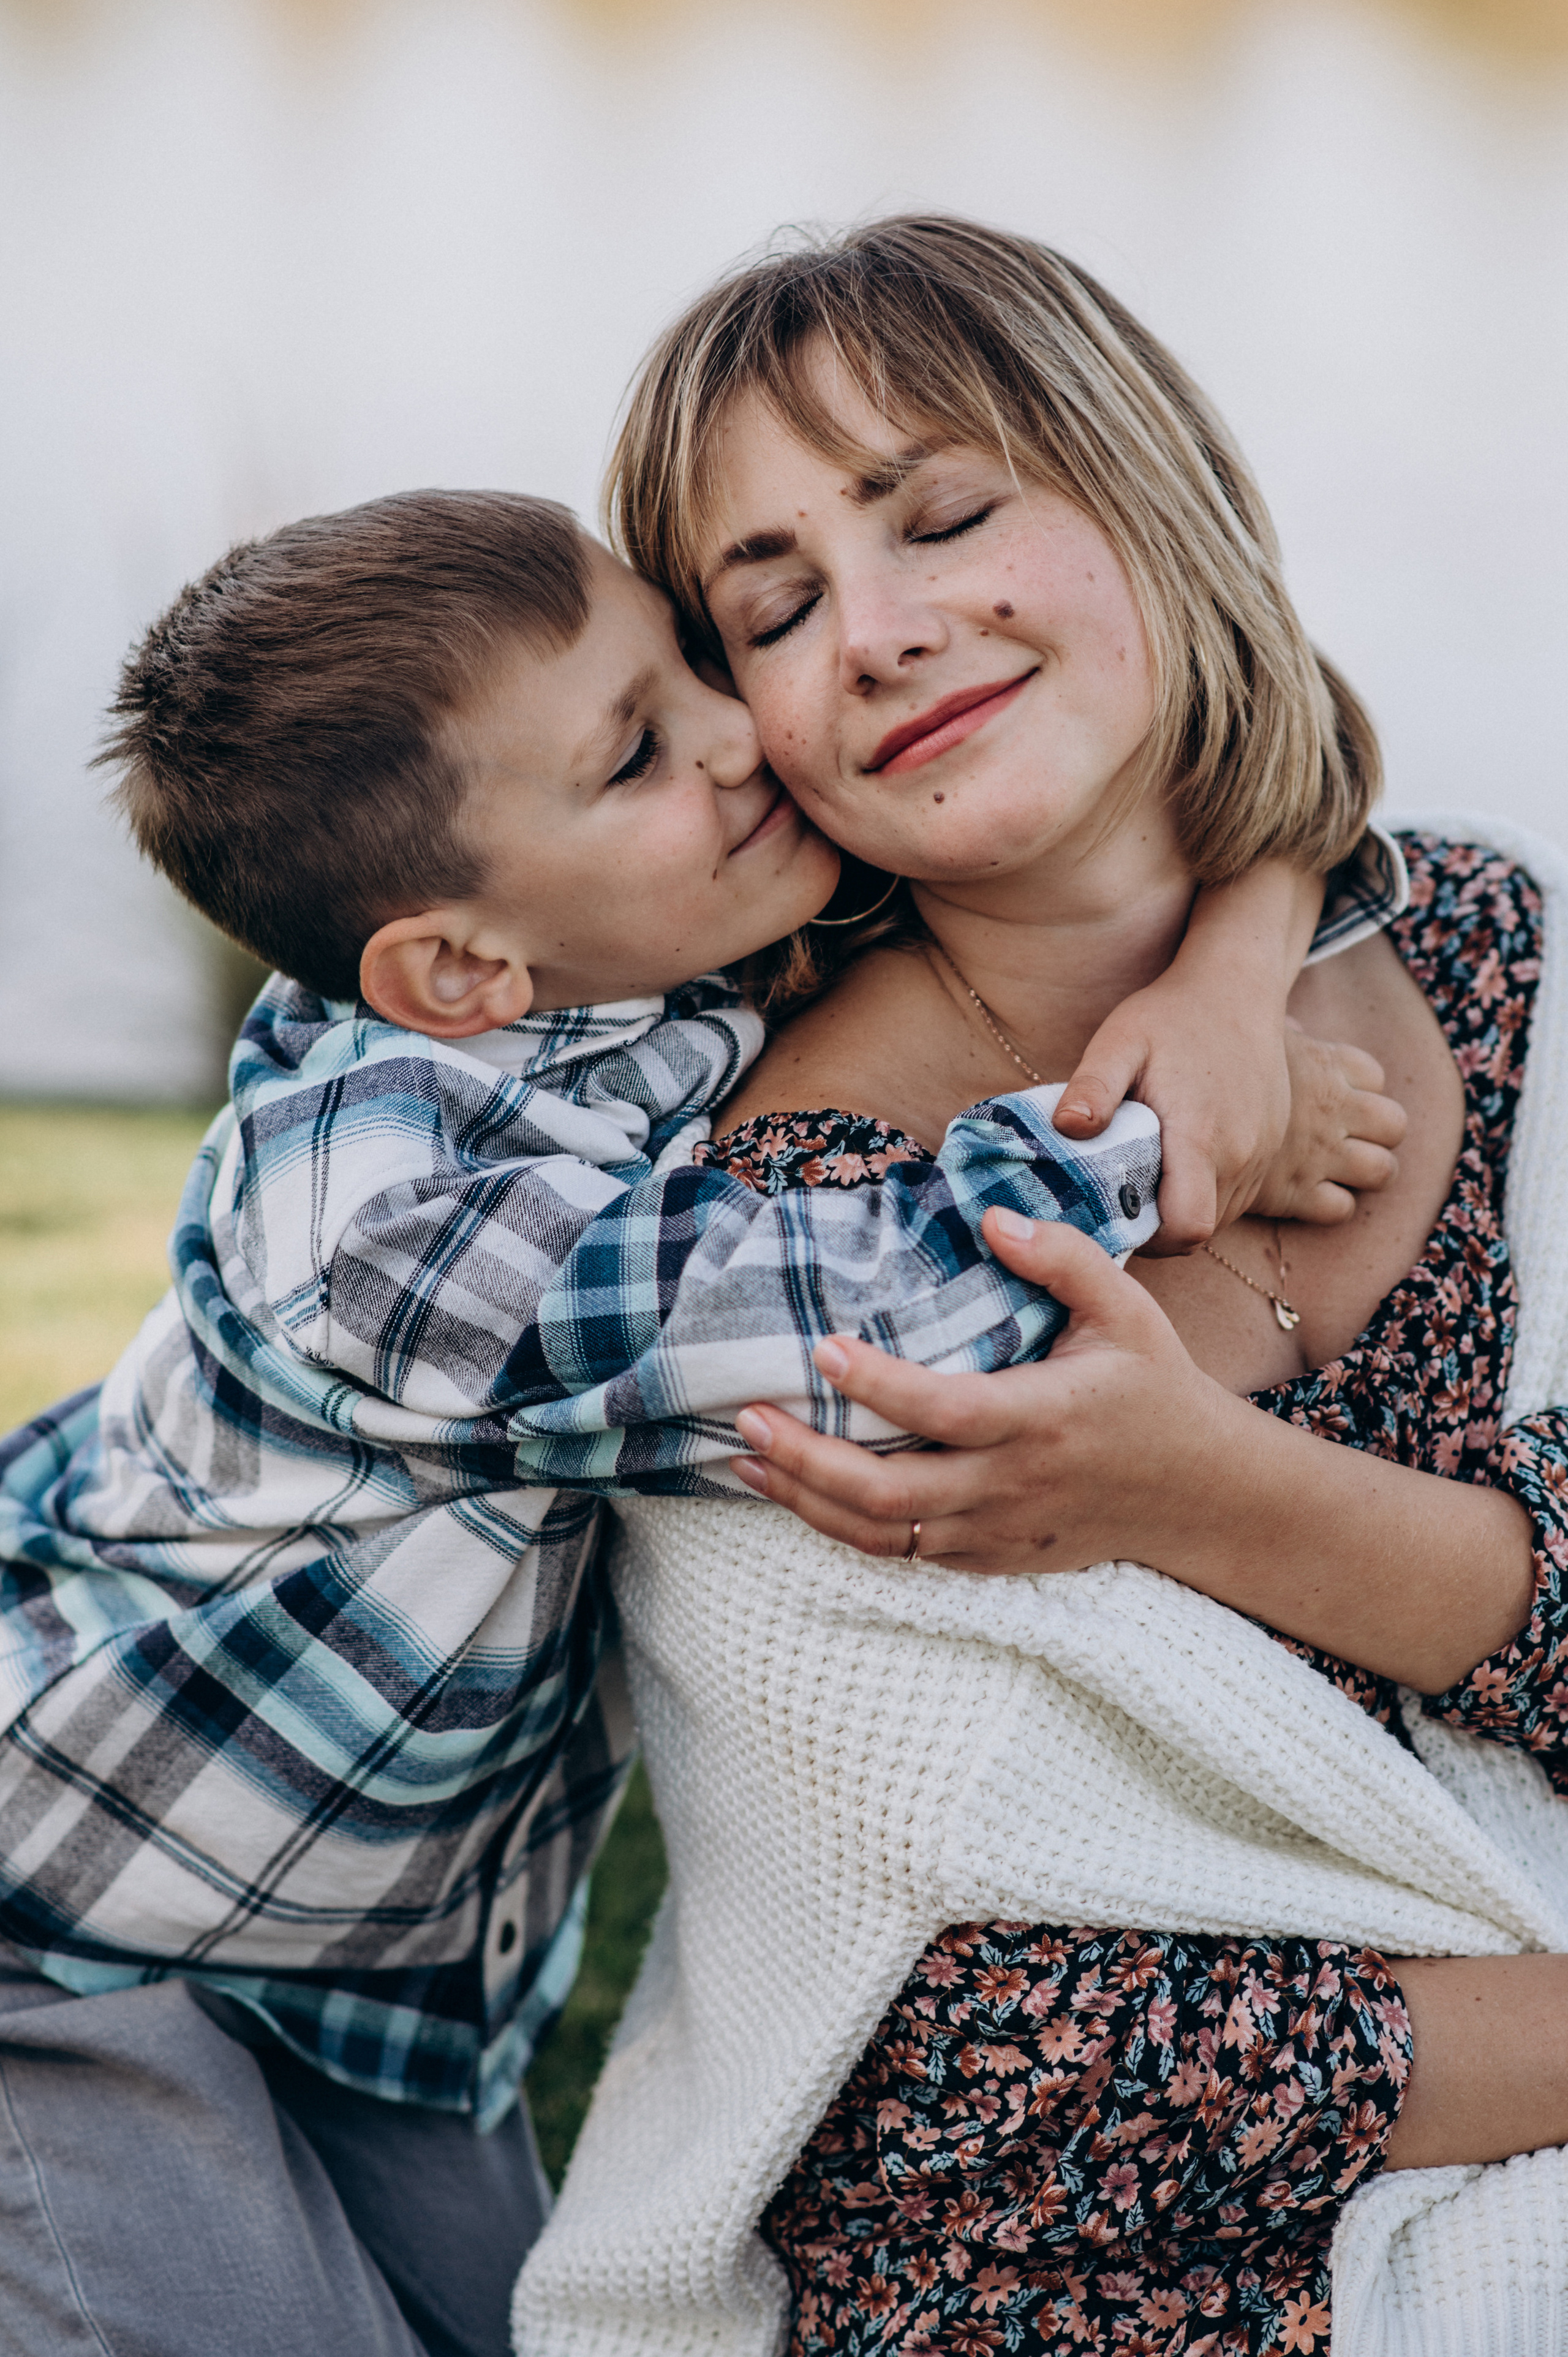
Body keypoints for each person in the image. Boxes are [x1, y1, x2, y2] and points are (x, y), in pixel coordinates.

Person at [0, 488, 1390, 2357]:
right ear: (458, 971)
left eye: (686, 658)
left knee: (523, 2326)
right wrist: (1177, 1134)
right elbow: (850, 1319)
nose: (744, 730)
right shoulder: (380, 1223)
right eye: (641, 745)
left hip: (360, 1963)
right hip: (64, 1940)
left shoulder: (639, 931)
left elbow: (1240, 724)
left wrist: (1231, 969)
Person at [513, 216, 1568, 2357]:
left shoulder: (1493, 952)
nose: (882, 634)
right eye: (779, 606)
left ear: (1145, 485)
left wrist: (1210, 1494)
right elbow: (943, 2084)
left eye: (947, 514)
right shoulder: (776, 1239)